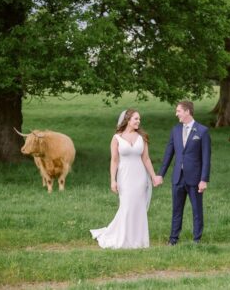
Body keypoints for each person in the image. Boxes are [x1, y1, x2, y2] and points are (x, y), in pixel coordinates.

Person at [90, 109, 160, 249]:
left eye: (139, 119)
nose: (138, 121)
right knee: (127, 206)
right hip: (125, 177)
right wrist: (113, 180)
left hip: (140, 177)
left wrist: (153, 176)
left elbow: (146, 159)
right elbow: (114, 161)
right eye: (136, 119)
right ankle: (122, 238)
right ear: (127, 120)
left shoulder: (142, 137)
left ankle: (139, 241)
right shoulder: (117, 138)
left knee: (139, 207)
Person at [156, 101, 211, 245]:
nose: (176, 114)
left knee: (197, 210)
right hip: (177, 178)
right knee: (176, 210)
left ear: (187, 112)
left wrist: (204, 179)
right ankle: (173, 239)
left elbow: (206, 158)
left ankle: (197, 239)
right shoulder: (175, 130)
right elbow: (169, 153)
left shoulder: (202, 131)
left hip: (195, 178)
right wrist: (161, 174)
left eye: (178, 111)